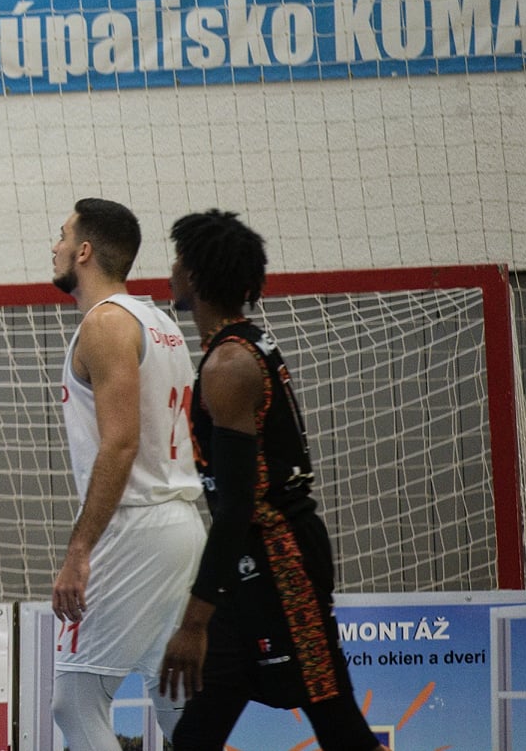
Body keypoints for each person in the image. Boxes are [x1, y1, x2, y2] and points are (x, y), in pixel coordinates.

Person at [156, 210, 376, 750]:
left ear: (196, 276)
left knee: (341, 729)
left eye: (179, 259)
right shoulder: (240, 347)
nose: (171, 269)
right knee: (196, 735)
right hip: (248, 566)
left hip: (282, 563)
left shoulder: (229, 365)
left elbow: (236, 508)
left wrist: (193, 622)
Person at [48, 199, 205, 751]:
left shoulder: (106, 323)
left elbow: (120, 445)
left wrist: (79, 550)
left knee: (75, 701)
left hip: (135, 528)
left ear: (84, 251)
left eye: (63, 235)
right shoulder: (161, 324)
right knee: (176, 702)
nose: (55, 246)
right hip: (182, 526)